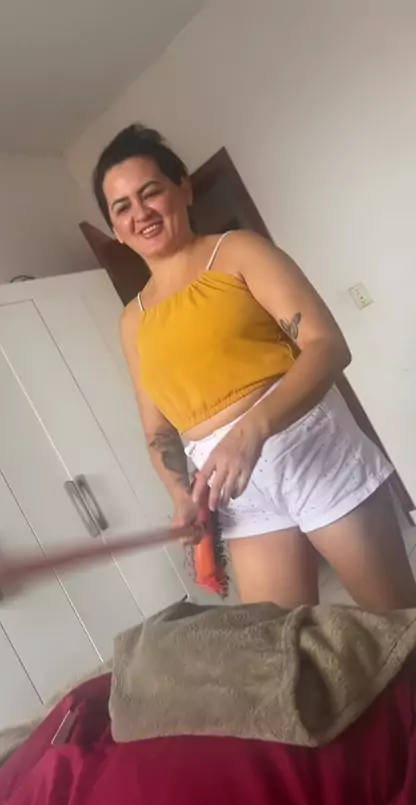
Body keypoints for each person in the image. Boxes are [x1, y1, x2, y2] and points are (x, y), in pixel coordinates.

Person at [93, 124, 416, 611]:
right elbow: (157, 431)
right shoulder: (131, 321)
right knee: (279, 640)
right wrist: (181, 496)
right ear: (117, 230)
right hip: (234, 491)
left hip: (310, 449)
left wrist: (251, 432)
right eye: (122, 207)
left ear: (183, 189)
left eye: (150, 192)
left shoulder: (237, 251)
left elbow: (327, 346)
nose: (140, 213)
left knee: (395, 619)